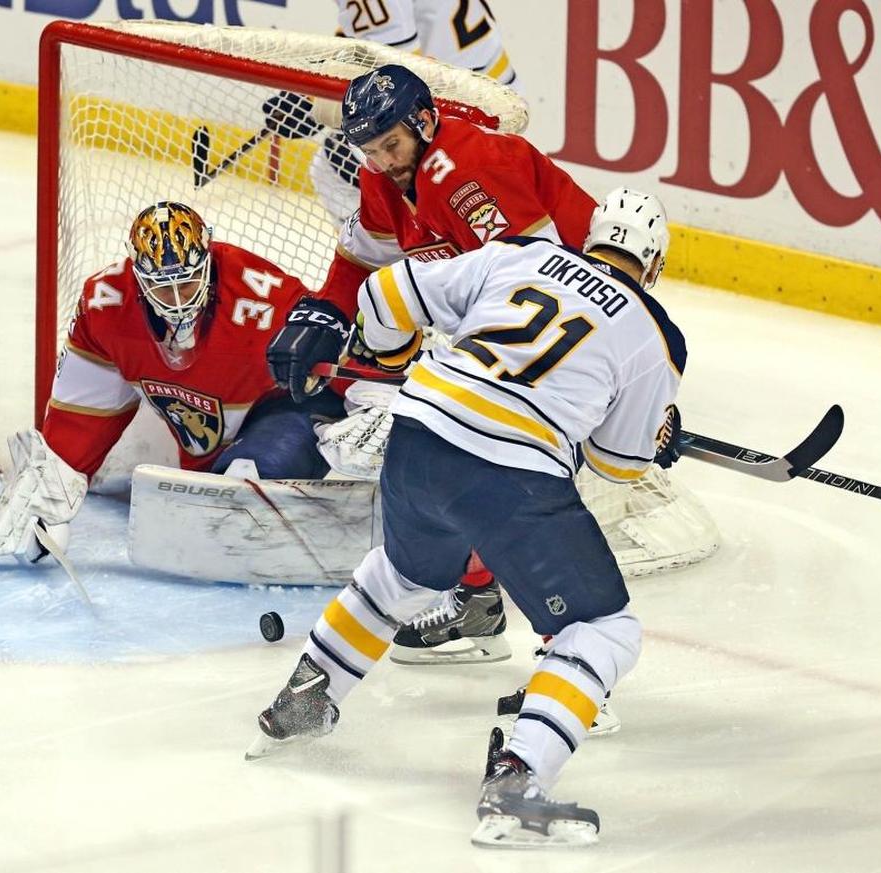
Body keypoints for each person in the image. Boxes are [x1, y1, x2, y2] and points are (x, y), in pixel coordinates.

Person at [245, 187, 683, 848]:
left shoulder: (520, 256)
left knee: (403, 574)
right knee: (602, 626)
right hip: (511, 473)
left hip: (417, 435)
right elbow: (617, 465)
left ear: (588, 238)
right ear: (653, 267)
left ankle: (302, 700)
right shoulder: (654, 331)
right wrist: (653, 434)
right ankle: (516, 782)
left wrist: (392, 359)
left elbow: (386, 293)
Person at [265, 62, 598, 663]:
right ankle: (479, 599)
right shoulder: (382, 180)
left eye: (391, 144)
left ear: (424, 121)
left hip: (585, 314)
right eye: (369, 150)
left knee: (518, 481)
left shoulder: (473, 170)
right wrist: (325, 314)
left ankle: (573, 655)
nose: (383, 160)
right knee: (461, 459)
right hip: (513, 328)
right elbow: (361, 261)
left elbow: (544, 280)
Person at [0, 201, 344, 566]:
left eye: (189, 281)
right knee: (143, 482)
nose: (179, 300)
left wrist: (374, 407)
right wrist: (47, 499)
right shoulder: (106, 306)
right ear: (137, 274)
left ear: (208, 261)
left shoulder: (264, 297)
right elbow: (80, 420)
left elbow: (334, 350)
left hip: (278, 407)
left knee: (241, 491)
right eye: (163, 287)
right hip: (197, 434)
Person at [309, 0, 521, 223]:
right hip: (494, 100)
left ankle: (419, 248)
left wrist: (327, 107)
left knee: (333, 171)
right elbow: (366, 42)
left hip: (462, 120)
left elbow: (394, 80)